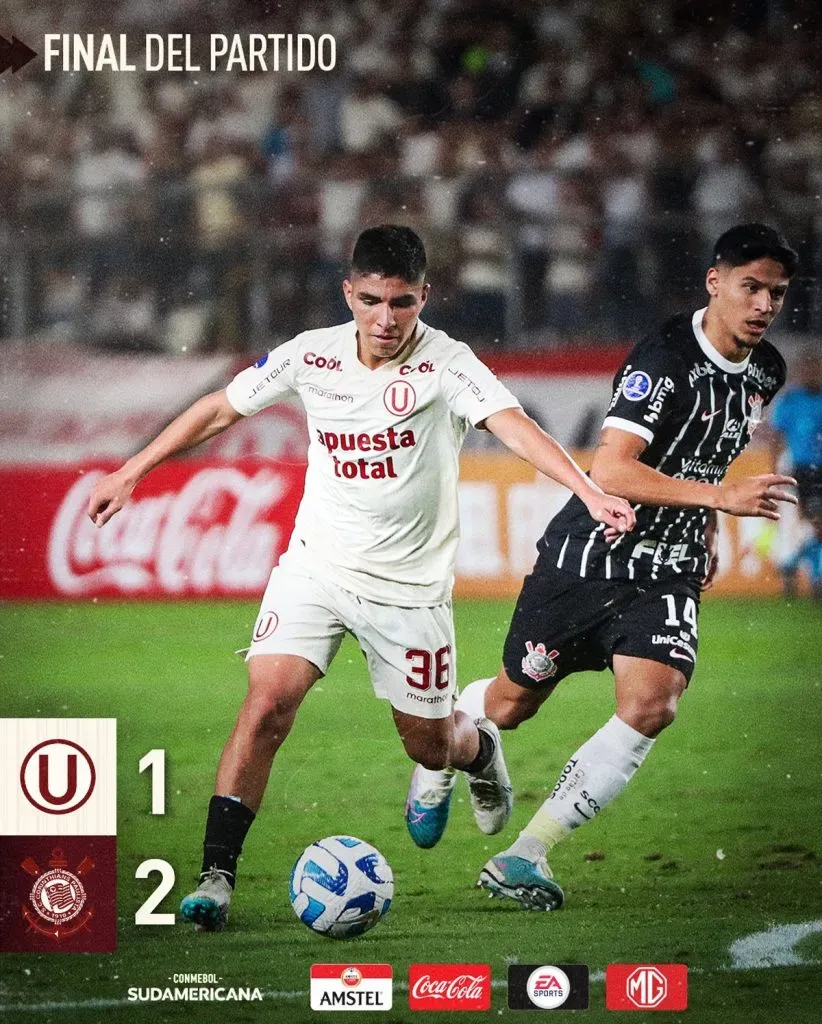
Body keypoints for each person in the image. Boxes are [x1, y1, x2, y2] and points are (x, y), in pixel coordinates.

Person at [87, 225, 635, 930]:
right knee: (266, 705)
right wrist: (132, 469)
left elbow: (512, 425)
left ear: (424, 297)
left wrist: (587, 489)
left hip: (409, 594)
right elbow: (222, 406)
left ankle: (478, 749)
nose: (385, 319)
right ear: (349, 293)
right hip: (316, 567)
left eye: (402, 303)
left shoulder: (448, 363)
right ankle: (215, 879)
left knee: (429, 746)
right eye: (371, 301)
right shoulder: (310, 354)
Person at [406, 223, 799, 910]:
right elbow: (612, 468)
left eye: (777, 293)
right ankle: (448, 745)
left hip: (669, 568)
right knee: (510, 703)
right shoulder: (666, 359)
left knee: (653, 704)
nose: (764, 305)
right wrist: (718, 500)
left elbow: (706, 452)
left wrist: (705, 523)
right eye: (751, 287)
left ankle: (526, 854)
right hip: (591, 555)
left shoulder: (766, 371)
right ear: (715, 283)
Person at [770, 350, 822, 599]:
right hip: (798, 471)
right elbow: (777, 437)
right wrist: (774, 472)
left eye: (817, 368)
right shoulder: (791, 401)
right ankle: (792, 571)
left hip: (819, 471)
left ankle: (807, 574)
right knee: (800, 525)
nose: (813, 373)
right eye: (809, 368)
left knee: (815, 526)